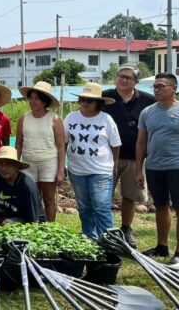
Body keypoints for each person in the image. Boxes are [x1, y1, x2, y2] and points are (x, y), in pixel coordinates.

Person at [136, 73, 179, 264]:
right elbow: (141, 142)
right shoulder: (147, 112)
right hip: (154, 167)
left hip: (178, 167)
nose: (157, 90)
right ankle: (162, 246)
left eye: (161, 86)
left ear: (174, 88)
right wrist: (138, 170)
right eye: (155, 87)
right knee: (160, 206)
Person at [102, 65, 156, 248]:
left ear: (136, 82)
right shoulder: (104, 97)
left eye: (129, 78)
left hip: (135, 156)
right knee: (103, 194)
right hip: (106, 157)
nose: (124, 80)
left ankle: (126, 230)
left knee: (130, 196)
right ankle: (103, 230)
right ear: (115, 78)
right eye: (121, 76)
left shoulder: (148, 100)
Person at [64, 82, 121, 240]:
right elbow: (64, 142)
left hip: (101, 171)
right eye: (82, 99)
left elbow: (115, 145)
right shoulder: (71, 117)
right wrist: (63, 164)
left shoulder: (106, 119)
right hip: (77, 170)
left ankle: (110, 240)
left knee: (101, 208)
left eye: (89, 100)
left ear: (98, 103)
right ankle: (90, 238)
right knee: (84, 208)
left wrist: (115, 165)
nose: (84, 103)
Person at [16, 81, 66, 221]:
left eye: (37, 98)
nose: (33, 101)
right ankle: (33, 225)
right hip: (28, 163)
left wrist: (61, 171)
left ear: (45, 101)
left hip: (48, 163)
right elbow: (18, 143)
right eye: (31, 98)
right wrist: (15, 163)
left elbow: (61, 146)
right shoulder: (23, 119)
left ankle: (50, 229)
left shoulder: (54, 120)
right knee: (32, 197)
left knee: (49, 200)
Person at [0, 146, 45, 225]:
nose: (4, 168)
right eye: (1, 164)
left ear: (16, 166)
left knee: (7, 224)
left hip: (28, 219)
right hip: (6, 213)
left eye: (8, 164)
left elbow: (34, 220)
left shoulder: (27, 186)